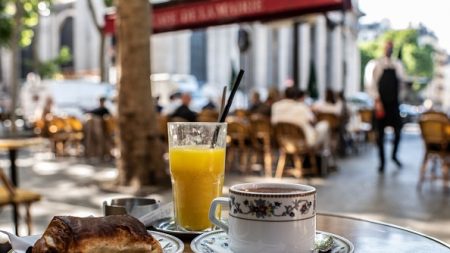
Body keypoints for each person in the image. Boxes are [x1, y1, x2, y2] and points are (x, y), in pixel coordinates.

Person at [367, 41, 406, 173]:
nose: (389, 49)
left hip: (394, 104)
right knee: (380, 135)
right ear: (384, 49)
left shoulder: (398, 65)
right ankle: (382, 162)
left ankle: (394, 156)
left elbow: (402, 83)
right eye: (387, 47)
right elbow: (372, 85)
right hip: (381, 104)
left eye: (391, 47)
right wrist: (377, 101)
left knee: (398, 131)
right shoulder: (377, 64)